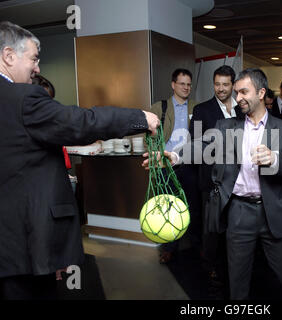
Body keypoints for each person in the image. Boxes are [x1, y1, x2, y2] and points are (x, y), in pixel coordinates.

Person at [0, 21, 160, 299]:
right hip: (21, 244)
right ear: (9, 55)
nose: (37, 68)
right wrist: (139, 118)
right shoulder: (22, 98)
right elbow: (80, 121)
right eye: (34, 59)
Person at [145, 68, 282, 300]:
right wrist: (175, 156)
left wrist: (275, 160)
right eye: (236, 92)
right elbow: (201, 145)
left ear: (260, 93)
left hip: (275, 214)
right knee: (237, 279)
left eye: (243, 92)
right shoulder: (227, 126)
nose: (237, 98)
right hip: (239, 212)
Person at [188, 65, 243, 289]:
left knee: (234, 225)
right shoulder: (203, 110)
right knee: (212, 227)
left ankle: (234, 264)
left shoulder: (242, 109)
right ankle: (209, 265)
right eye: (217, 84)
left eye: (225, 84)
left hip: (239, 179)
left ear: (233, 85)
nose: (220, 89)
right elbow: (196, 144)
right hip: (213, 179)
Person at [148, 68, 201, 264]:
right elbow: (148, 136)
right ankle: (169, 248)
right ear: (173, 85)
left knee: (193, 208)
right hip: (165, 167)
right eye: (182, 84)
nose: (186, 87)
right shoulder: (159, 108)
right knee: (167, 208)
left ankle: (198, 245)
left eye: (189, 84)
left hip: (189, 166)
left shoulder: (197, 108)